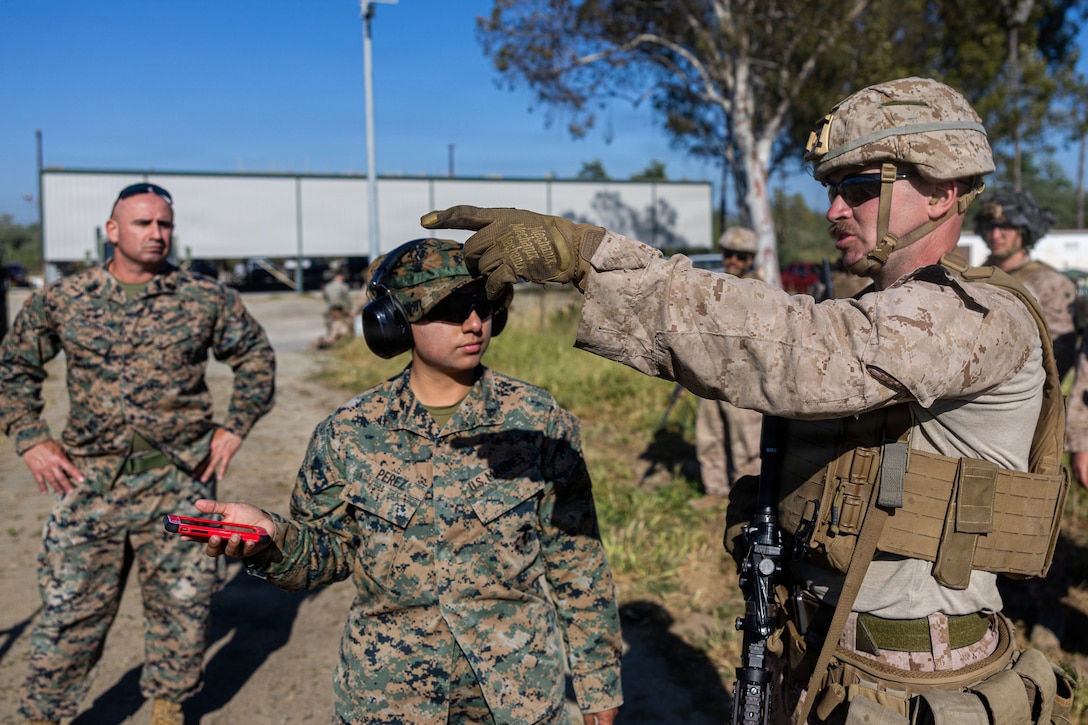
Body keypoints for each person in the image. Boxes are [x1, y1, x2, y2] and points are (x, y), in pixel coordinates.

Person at [420, 77, 1072, 723]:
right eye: (830, 189)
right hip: (826, 659)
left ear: (941, 191)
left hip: (914, 682)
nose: (834, 209)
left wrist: (589, 258)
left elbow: (800, 348)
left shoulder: (976, 314)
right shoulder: (879, 309)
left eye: (857, 187)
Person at [190, 237, 623, 725]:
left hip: (516, 697)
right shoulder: (348, 433)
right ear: (394, 322)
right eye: (452, 309)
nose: (474, 323)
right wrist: (269, 537)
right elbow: (327, 555)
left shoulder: (536, 421)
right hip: (388, 699)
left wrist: (597, 685)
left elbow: (577, 562)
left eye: (483, 308)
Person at [0, 182, 276, 725]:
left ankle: (168, 708)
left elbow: (256, 358)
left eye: (165, 225)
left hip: (182, 479)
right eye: (143, 223)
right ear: (111, 231)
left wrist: (234, 427)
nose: (156, 234)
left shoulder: (205, 297)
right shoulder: (63, 298)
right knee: (70, 613)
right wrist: (31, 437)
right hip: (90, 482)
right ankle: (43, 715)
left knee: (183, 606)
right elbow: (14, 368)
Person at [973, 191, 1076, 379]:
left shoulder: (1049, 282)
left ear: (1023, 231)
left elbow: (1059, 353)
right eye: (990, 226)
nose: (995, 235)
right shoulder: (974, 277)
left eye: (1005, 227)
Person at [693, 227, 763, 504]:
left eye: (740, 256)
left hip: (743, 378)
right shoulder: (713, 287)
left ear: (750, 259)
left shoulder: (761, 292)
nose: (733, 260)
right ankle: (715, 490)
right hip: (709, 372)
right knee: (709, 433)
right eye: (728, 254)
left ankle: (746, 497)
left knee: (745, 439)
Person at [313, 268, 355, 349]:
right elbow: (347, 300)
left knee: (331, 328)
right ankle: (334, 344)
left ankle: (327, 342)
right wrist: (349, 310)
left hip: (330, 310)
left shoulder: (327, 286)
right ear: (340, 277)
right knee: (341, 329)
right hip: (341, 310)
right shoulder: (344, 286)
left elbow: (325, 298)